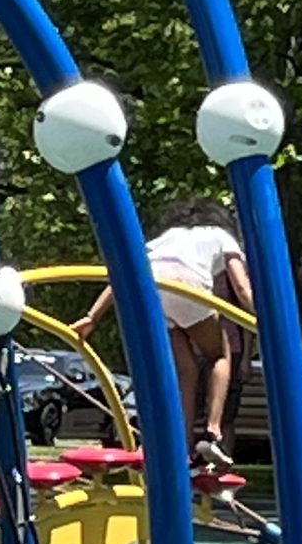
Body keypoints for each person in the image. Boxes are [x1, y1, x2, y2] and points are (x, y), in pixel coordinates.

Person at [71, 198, 254, 469]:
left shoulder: (164, 238)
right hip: (188, 286)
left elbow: (124, 274)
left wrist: (92, 316)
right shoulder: (220, 235)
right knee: (219, 355)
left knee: (185, 370)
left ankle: (181, 443)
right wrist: (259, 320)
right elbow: (241, 287)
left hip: (152, 291)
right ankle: (212, 432)